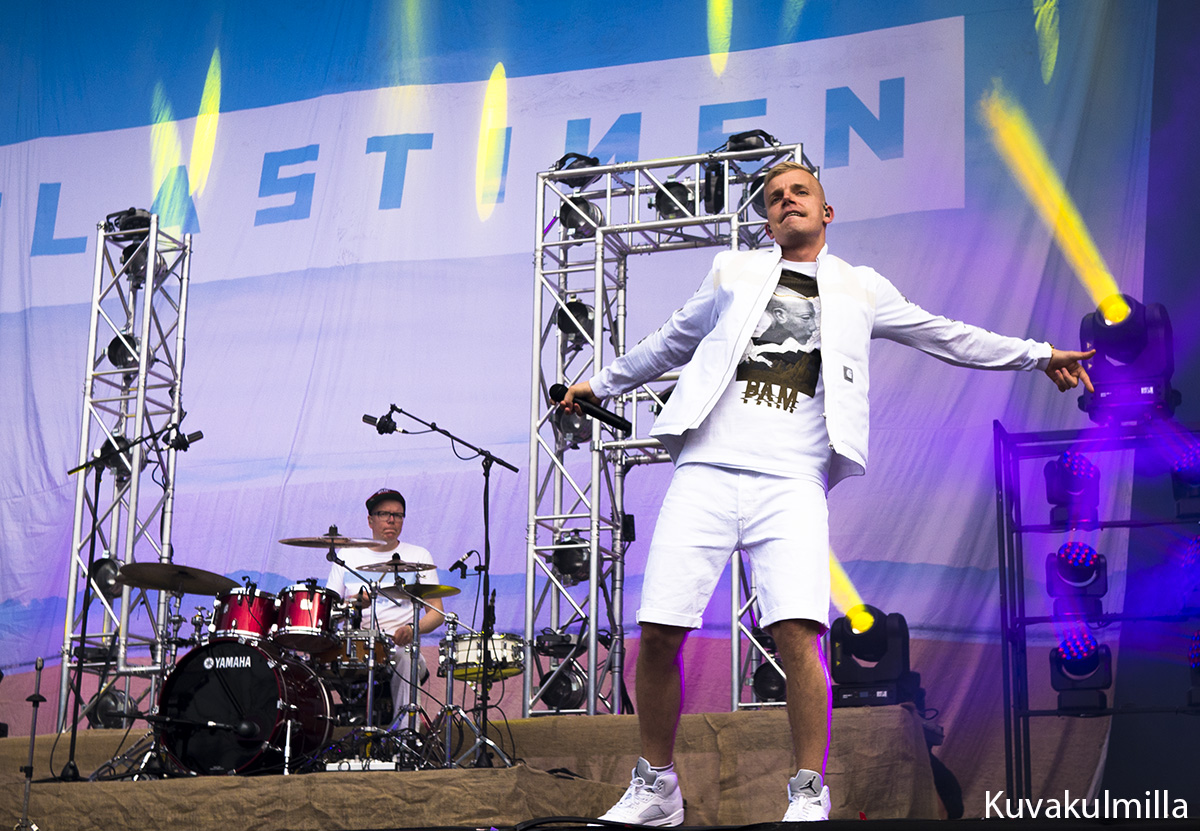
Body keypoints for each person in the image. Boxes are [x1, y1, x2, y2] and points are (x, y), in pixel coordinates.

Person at [560, 160, 1093, 824]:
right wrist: (599, 384)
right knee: (661, 629)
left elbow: (945, 334)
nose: (787, 201)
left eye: (799, 192)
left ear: (825, 211)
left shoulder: (860, 287)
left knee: (797, 635)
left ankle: (808, 790)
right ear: (766, 221)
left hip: (793, 480)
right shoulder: (731, 271)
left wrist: (1039, 354)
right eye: (774, 198)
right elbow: (669, 342)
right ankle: (656, 786)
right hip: (707, 468)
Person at [326, 487, 446, 719]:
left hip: (399, 646)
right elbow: (329, 611)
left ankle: (406, 735)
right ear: (370, 520)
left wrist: (412, 629)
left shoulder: (418, 556)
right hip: (356, 647)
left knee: (407, 659)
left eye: (398, 515)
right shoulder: (347, 556)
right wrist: (352, 605)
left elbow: (437, 613)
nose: (392, 520)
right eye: (384, 514)